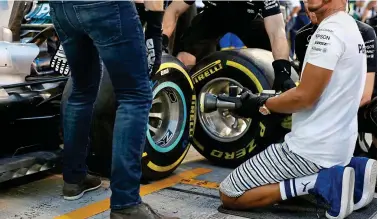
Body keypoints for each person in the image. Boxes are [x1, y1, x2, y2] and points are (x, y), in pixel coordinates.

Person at [218, 0, 377, 218]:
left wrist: (260, 104)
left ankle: (320, 182)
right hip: (339, 147)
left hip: (308, 151)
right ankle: (356, 171)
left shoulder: (328, 32)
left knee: (230, 192)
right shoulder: (351, 28)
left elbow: (304, 98)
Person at [48, 1, 176, 218]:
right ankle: (126, 204)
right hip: (106, 7)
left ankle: (74, 178)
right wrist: (154, 30)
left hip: (62, 7)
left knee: (81, 90)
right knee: (135, 95)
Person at [295, 0, 377, 159]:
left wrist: (328, 114)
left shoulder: (364, 32)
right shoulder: (302, 36)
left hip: (360, 102)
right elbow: (304, 86)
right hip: (324, 102)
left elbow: (365, 95)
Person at [162, 0, 295, 91]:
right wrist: (161, 40)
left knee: (281, 65)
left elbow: (277, 31)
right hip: (214, 15)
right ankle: (184, 96)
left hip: (248, 18)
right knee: (185, 58)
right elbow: (173, 10)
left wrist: (282, 69)